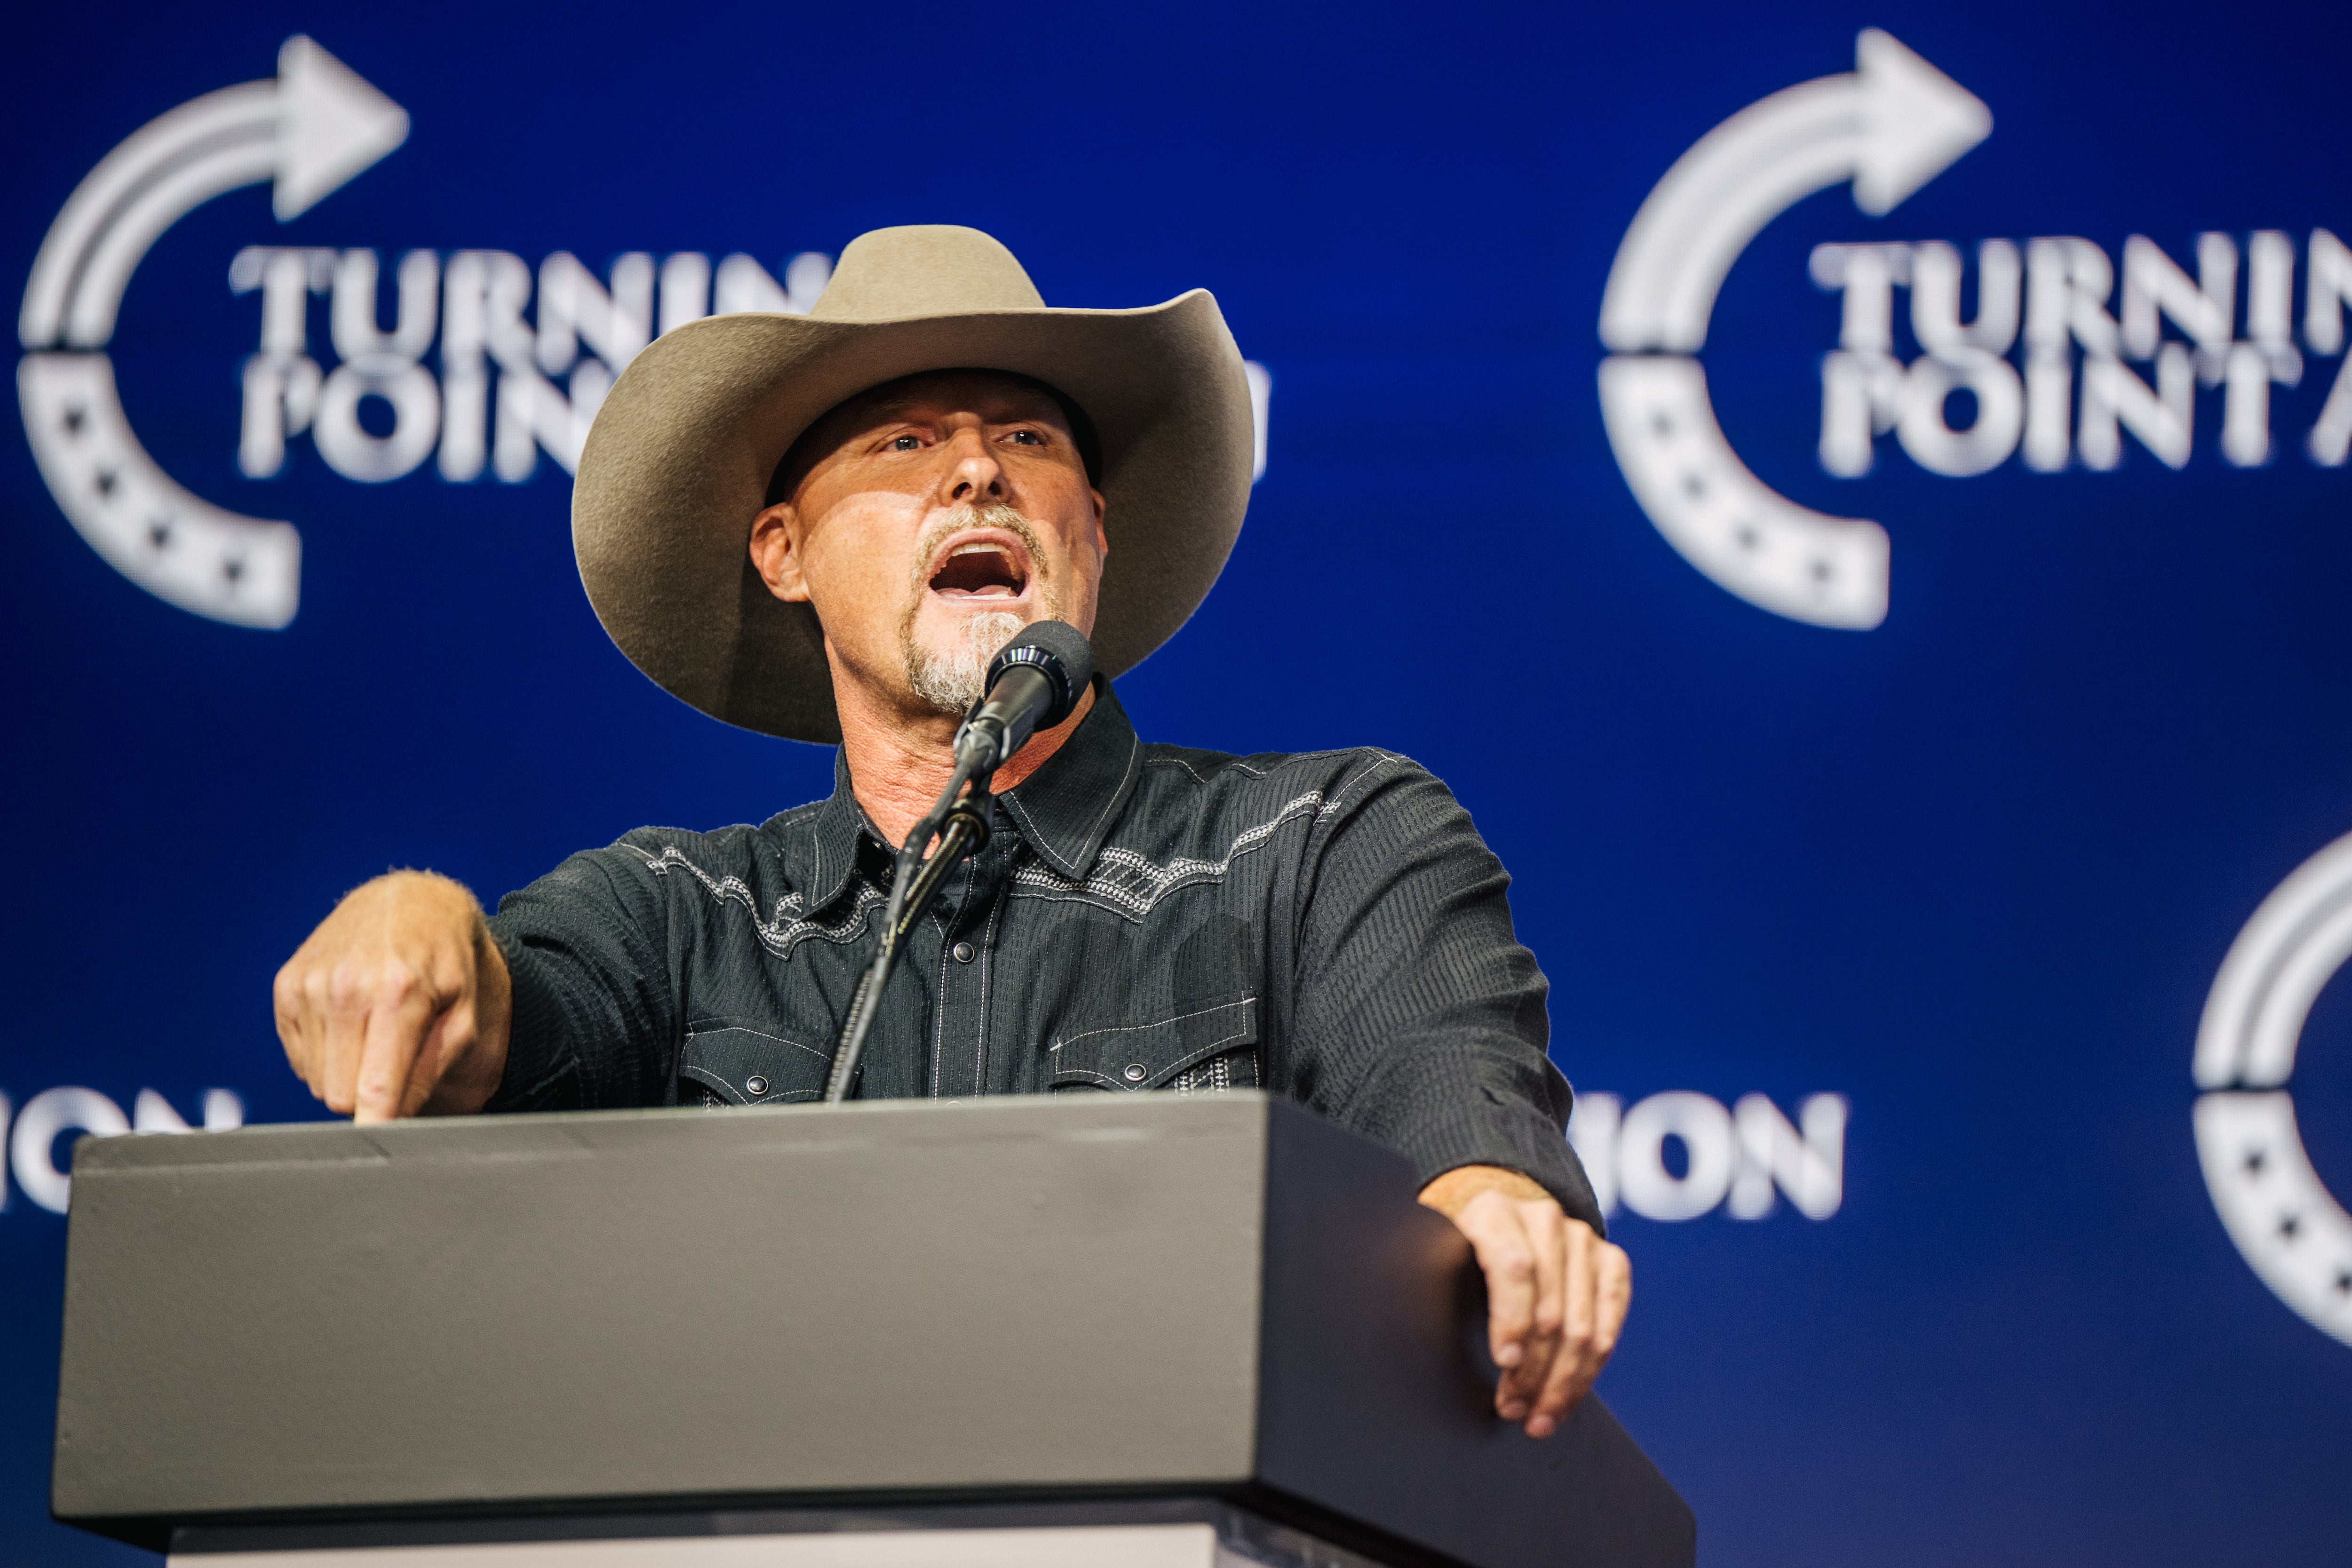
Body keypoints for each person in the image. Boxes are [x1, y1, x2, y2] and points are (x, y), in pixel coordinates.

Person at [274, 226, 1630, 1441]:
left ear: (1091, 536)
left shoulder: (1327, 839)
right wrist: (417, 926)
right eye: (903, 443)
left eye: (1030, 442)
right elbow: (504, 1017)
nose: (979, 468)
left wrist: (1499, 1216)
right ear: (784, 553)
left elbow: (1455, 1110)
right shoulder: (683, 914)